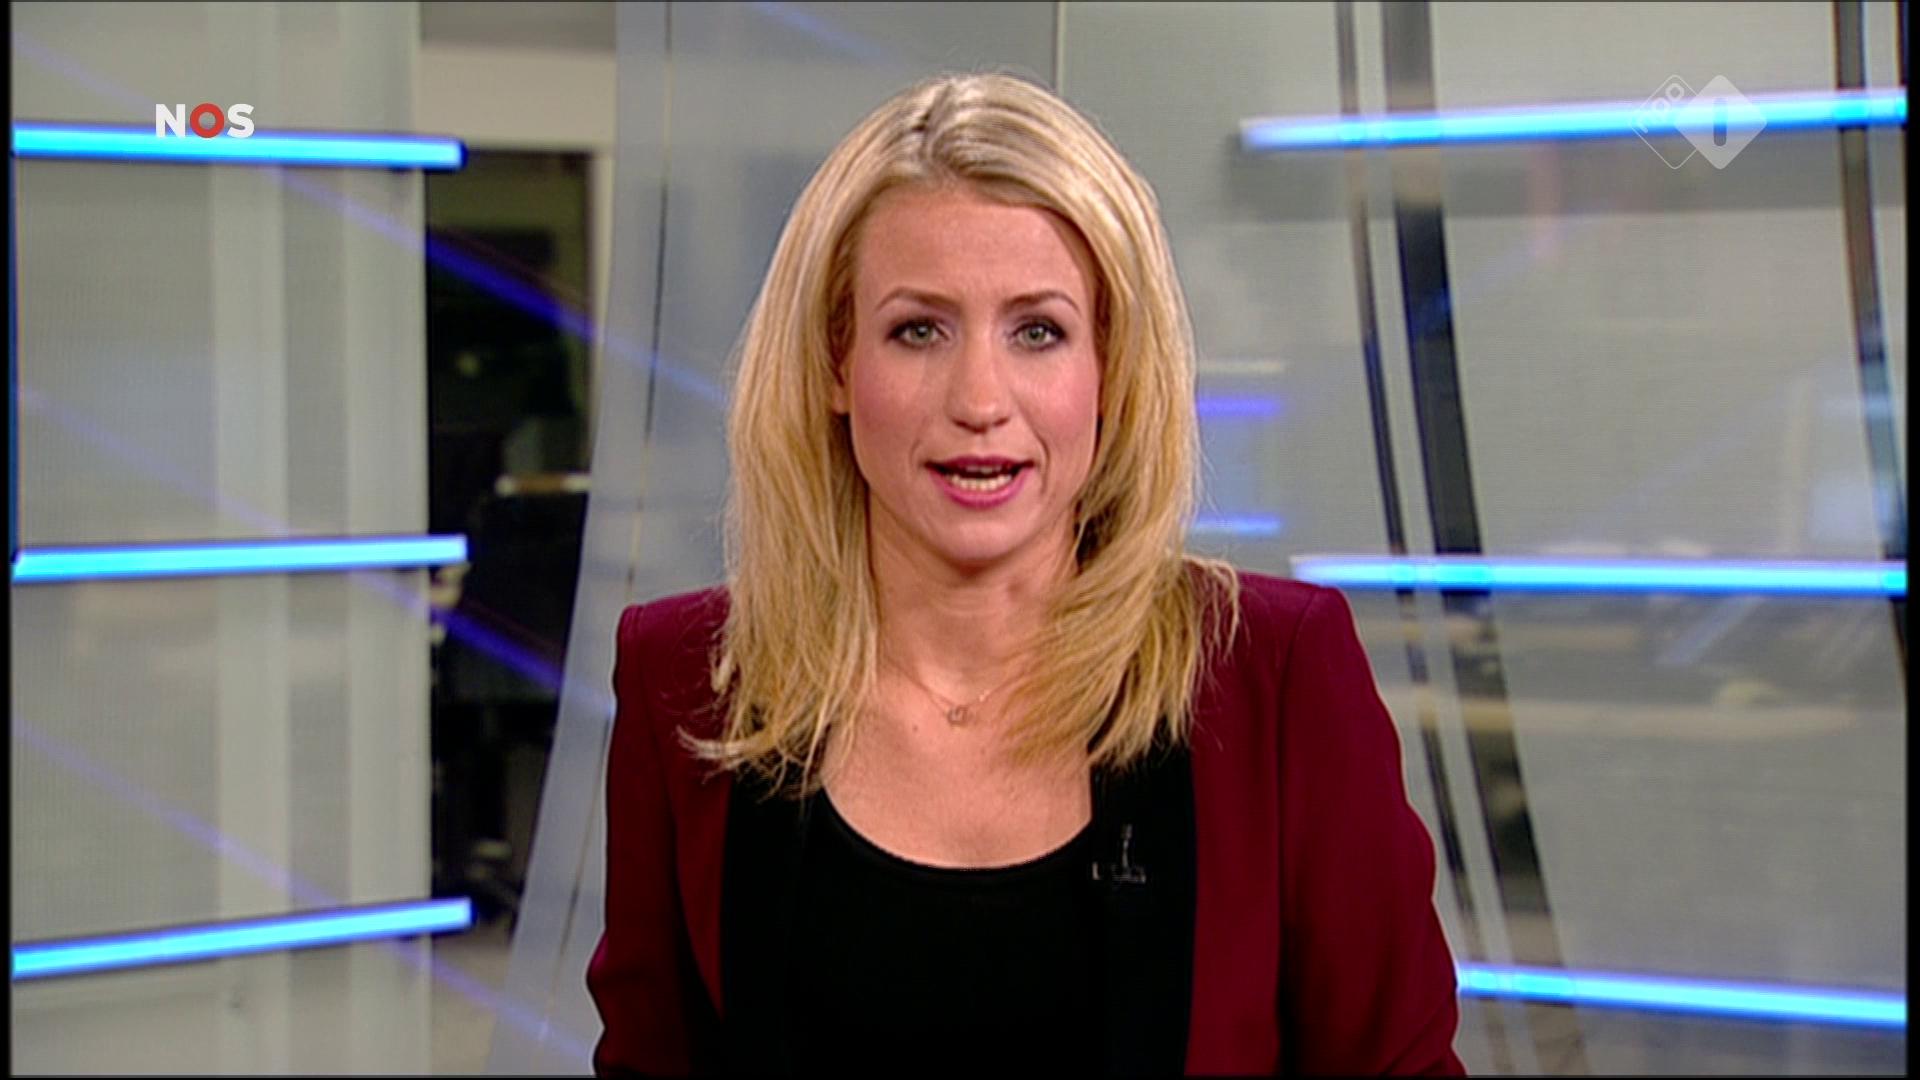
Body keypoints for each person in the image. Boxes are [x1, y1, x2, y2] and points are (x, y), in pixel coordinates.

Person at [586, 71, 1465, 1076]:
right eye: (919, 329)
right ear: (836, 364)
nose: (979, 399)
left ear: (1110, 368)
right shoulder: (684, 679)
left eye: (1038, 331)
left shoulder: (1274, 674)